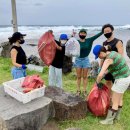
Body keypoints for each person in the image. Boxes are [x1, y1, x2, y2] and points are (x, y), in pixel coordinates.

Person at [93, 45, 130, 125]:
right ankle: (117, 117)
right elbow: (110, 69)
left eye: (98, 56)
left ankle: (109, 120)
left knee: (114, 101)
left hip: (121, 80)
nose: (99, 58)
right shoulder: (112, 53)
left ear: (101, 53)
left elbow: (100, 74)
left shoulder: (108, 59)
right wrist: (103, 75)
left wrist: (97, 82)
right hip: (126, 78)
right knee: (119, 99)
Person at [73, 29, 102, 96]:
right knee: (79, 77)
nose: (82, 34)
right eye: (81, 33)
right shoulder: (76, 42)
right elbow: (69, 44)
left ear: (86, 34)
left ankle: (85, 91)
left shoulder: (89, 40)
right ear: (79, 34)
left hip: (86, 60)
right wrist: (72, 36)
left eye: (84, 33)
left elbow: (97, 36)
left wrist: (103, 31)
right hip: (78, 60)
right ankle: (78, 90)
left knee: (85, 76)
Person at [99, 24, 123, 90]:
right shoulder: (104, 43)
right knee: (108, 82)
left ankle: (116, 99)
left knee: (117, 86)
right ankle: (109, 98)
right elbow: (102, 57)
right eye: (105, 32)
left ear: (112, 31)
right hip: (107, 67)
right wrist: (100, 67)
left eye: (108, 31)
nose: (107, 33)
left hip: (116, 68)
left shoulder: (118, 42)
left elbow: (121, 57)